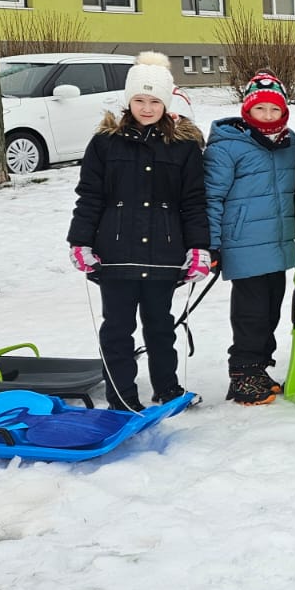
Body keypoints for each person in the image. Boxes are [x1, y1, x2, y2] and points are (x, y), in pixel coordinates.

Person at [67, 51, 210, 411]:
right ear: (129, 100)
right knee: (117, 328)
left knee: (160, 326)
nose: (147, 108)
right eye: (140, 100)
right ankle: (122, 398)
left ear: (166, 103)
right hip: (115, 253)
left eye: (155, 101)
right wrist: (80, 241)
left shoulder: (183, 147)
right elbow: (90, 196)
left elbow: (193, 201)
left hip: (164, 252)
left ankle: (167, 388)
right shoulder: (105, 143)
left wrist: (199, 248)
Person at [203, 71, 295, 406]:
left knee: (271, 309)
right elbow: (212, 196)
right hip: (243, 243)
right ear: (247, 110)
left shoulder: (289, 143)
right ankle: (243, 373)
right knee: (251, 313)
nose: (268, 116)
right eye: (261, 109)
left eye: (275, 109)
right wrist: (212, 244)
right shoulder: (228, 146)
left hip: (278, 243)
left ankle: (259, 369)